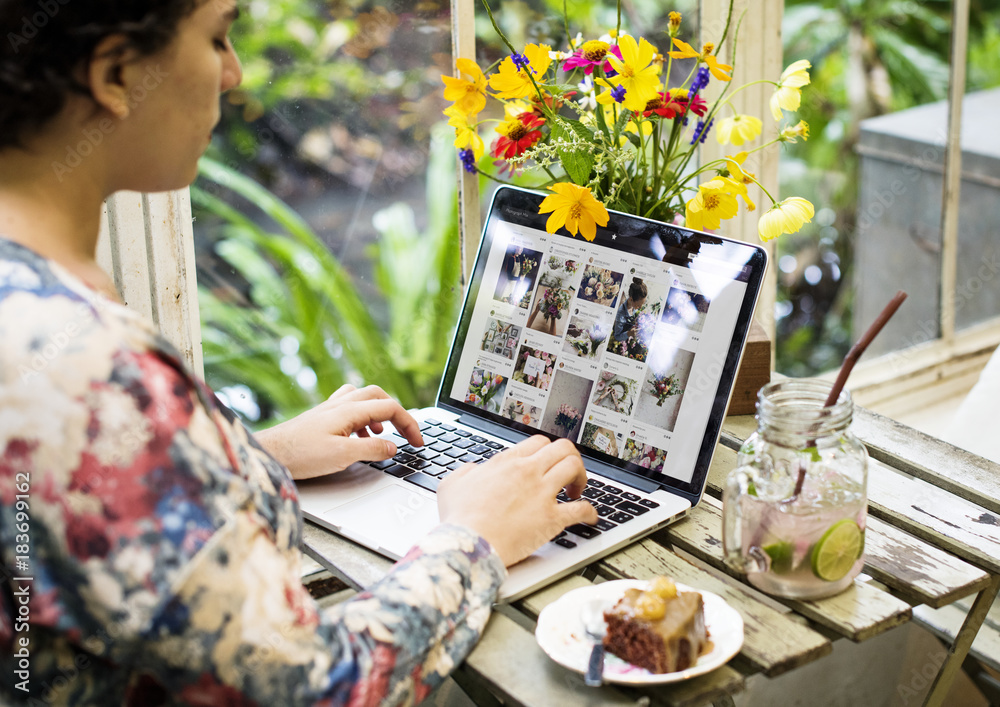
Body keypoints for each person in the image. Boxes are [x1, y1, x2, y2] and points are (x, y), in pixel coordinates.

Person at [0, 2, 597, 704]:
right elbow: (313, 686)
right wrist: (477, 538)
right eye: (217, 37)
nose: (233, 72)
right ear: (116, 73)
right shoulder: (94, 374)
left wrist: (249, 453)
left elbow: (72, 506)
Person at [612, 277, 648, 342]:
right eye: (638, 305)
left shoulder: (634, 306)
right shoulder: (621, 314)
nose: (640, 307)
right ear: (631, 299)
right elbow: (617, 336)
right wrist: (629, 333)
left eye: (642, 304)